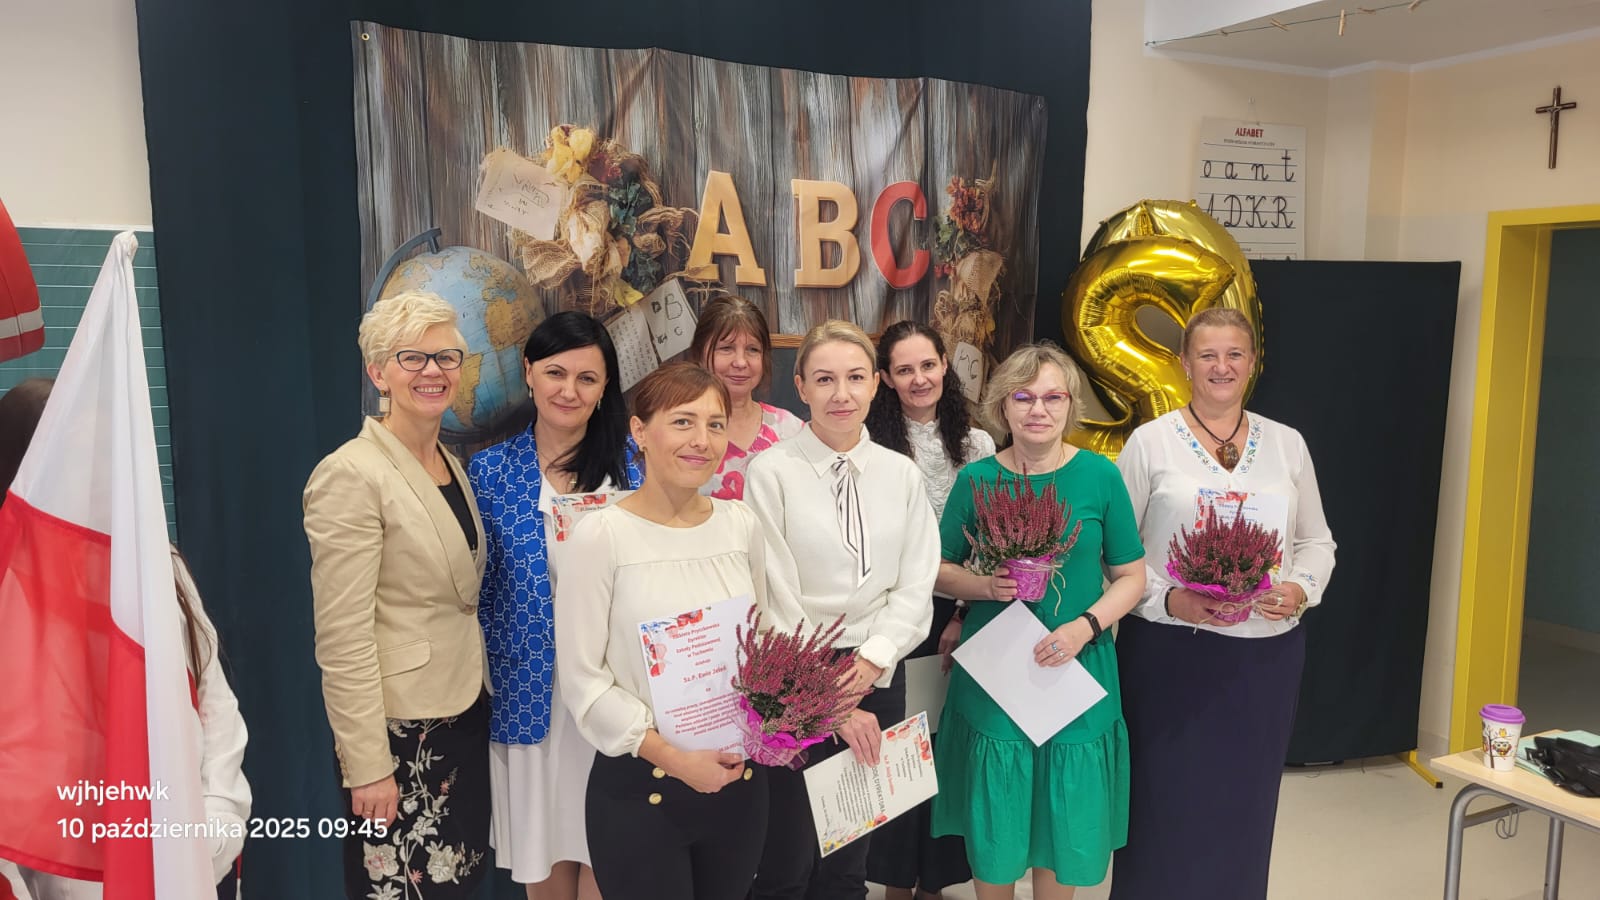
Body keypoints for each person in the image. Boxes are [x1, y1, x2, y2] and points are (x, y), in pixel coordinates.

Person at [1108, 308, 1335, 900]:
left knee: (1245, 804)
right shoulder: (1149, 442)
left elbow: (1316, 542)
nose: (1221, 366)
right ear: (1185, 364)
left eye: (1235, 354)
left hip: (1263, 660)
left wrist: (1299, 589)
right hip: (1168, 655)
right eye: (1207, 355)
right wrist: (1169, 599)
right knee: (1164, 802)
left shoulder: (1287, 444)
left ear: (1253, 363)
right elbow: (1115, 554)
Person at [1, 379, 251, 900]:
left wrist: (218, 816)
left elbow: (212, 697)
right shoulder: (11, 586)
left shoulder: (157, 562)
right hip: (71, 873)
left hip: (183, 858)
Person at [930, 343, 1146, 900]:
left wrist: (1085, 626)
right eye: (1024, 397)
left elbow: (1131, 576)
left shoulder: (1100, 476)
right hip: (997, 675)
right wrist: (984, 586)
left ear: (1070, 405)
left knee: (1063, 821)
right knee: (997, 816)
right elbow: (938, 569)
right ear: (1003, 406)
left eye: (1053, 397)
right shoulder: (977, 480)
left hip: (1077, 671)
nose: (1038, 410)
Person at [555, 362, 770, 899]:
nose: (702, 440)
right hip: (641, 789)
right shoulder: (600, 536)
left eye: (715, 425)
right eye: (682, 422)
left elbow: (762, 643)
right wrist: (673, 759)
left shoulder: (741, 524)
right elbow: (583, 681)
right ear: (640, 431)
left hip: (738, 782)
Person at [303, 291, 490, 899]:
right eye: (413, 357)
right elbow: (342, 637)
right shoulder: (351, 474)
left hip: (461, 717)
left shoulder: (449, 464)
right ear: (378, 372)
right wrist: (367, 766)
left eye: (446, 357)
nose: (433, 371)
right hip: (400, 737)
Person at [745, 319, 939, 900]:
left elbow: (915, 581)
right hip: (792, 670)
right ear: (800, 386)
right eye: (824, 379)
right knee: (787, 855)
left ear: (877, 383)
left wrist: (874, 660)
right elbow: (772, 591)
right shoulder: (772, 472)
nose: (841, 394)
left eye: (855, 378)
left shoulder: (901, 475)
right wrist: (824, 696)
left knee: (850, 854)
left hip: (876, 668)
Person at [469, 311, 642, 900]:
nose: (569, 390)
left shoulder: (634, 469)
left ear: (605, 386)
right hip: (528, 699)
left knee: (609, 866)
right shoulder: (490, 473)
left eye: (587, 378)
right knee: (543, 869)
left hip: (613, 695)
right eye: (555, 373)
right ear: (528, 372)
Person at [862, 322, 993, 900]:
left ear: (945, 366)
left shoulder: (979, 444)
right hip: (895, 618)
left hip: (960, 615)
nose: (919, 379)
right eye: (904, 370)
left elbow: (988, 537)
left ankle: (935, 882)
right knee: (900, 750)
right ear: (886, 379)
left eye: (928, 365)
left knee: (946, 748)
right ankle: (897, 881)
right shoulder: (871, 445)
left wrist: (963, 611)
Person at [689, 295, 803, 500]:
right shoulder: (680, 428)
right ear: (699, 354)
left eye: (752, 350)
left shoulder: (791, 429)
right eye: (726, 348)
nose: (741, 362)